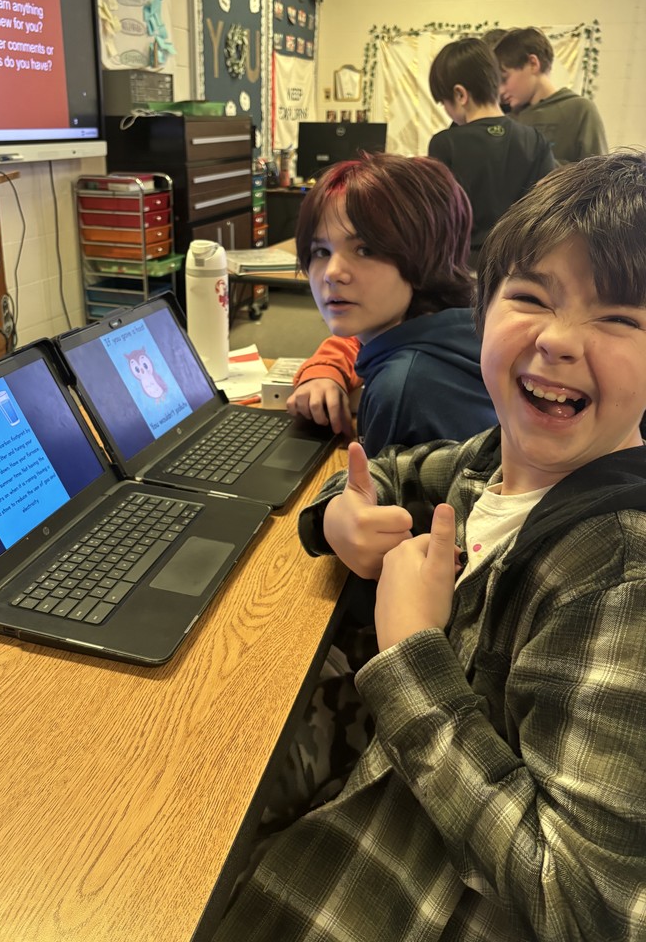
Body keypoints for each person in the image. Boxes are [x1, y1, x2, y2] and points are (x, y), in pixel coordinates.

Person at [215, 150, 646, 941]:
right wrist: (338, 517)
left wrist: (414, 651)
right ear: (482, 308)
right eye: (530, 297)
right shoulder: (495, 459)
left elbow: (587, 908)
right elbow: (388, 471)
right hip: (372, 786)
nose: (556, 340)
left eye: (618, 319)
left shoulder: (617, 575)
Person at [285, 152, 496, 456]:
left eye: (365, 249)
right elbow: (356, 345)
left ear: (425, 253)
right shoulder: (460, 325)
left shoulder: (404, 388)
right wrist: (324, 369)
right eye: (321, 251)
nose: (332, 273)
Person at [427, 37, 556, 266]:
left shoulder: (445, 144)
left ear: (460, 95)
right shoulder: (536, 141)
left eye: (444, 103)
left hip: (461, 266)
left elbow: (438, 221)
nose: (447, 111)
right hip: (515, 267)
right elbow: (545, 216)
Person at [495, 26, 608, 165]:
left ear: (533, 64)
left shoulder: (579, 110)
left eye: (504, 79)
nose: (500, 90)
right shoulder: (506, 117)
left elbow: (600, 176)